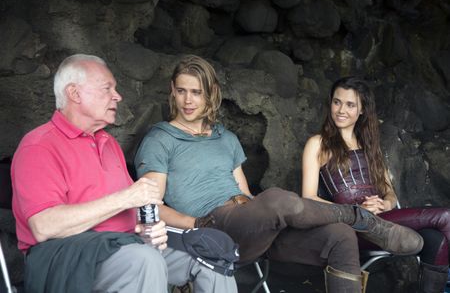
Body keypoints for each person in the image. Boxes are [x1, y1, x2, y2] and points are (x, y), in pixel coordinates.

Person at [134, 55, 424, 292]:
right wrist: (194, 223)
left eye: (196, 92)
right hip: (214, 226)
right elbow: (149, 206)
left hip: (252, 224)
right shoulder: (161, 139)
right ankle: (358, 216)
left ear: (210, 94)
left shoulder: (225, 138)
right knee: (276, 199)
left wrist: (260, 210)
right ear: (172, 90)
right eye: (182, 90)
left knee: (339, 236)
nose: (188, 100)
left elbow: (245, 194)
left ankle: (352, 222)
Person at [11, 54, 238, 293]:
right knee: (143, 260)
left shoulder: (108, 143)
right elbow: (44, 226)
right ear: (75, 94)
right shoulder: (39, 146)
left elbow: (134, 208)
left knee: (210, 256)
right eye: (107, 88)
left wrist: (148, 228)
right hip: (66, 257)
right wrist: (124, 199)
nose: (117, 96)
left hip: (126, 246)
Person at [302, 76, 450, 293]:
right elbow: (308, 197)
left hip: (382, 219)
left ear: (362, 110)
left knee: (436, 240)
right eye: (337, 102)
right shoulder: (317, 143)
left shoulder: (370, 145)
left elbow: (389, 193)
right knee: (446, 216)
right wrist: (354, 212)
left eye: (350, 104)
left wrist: (385, 205)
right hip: (353, 226)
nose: (341, 110)